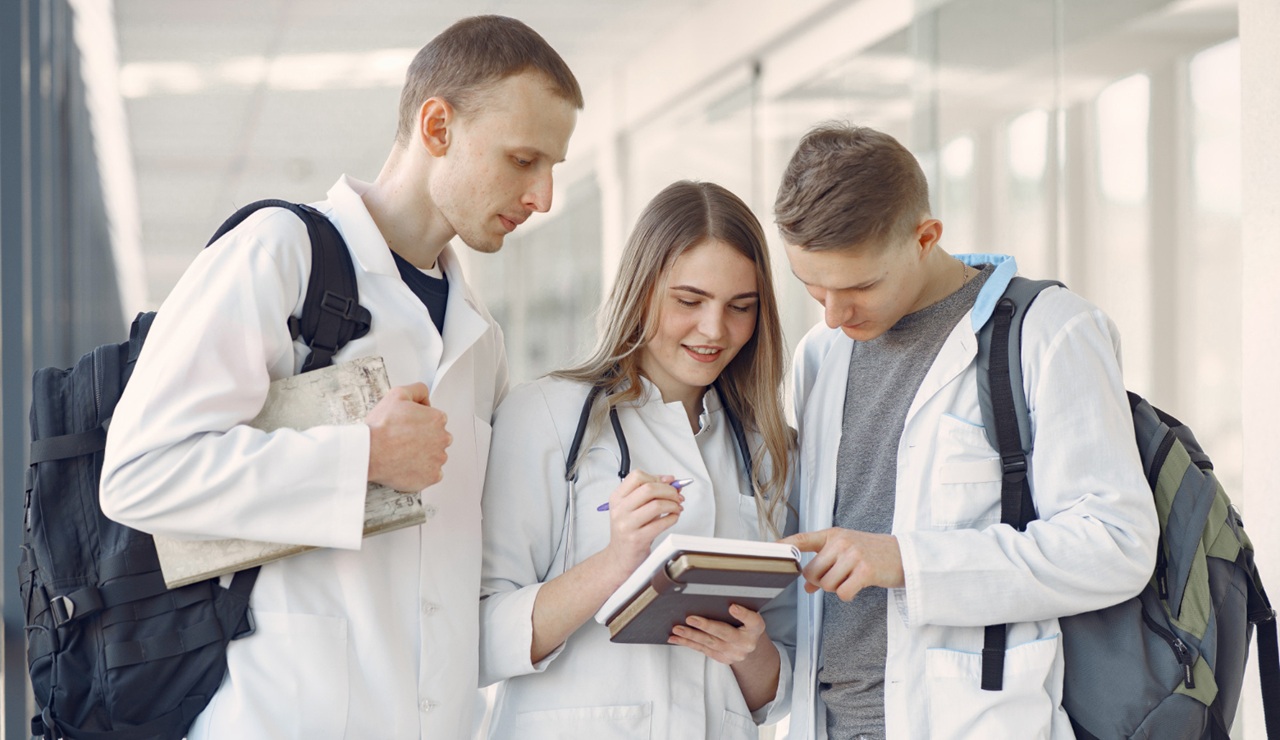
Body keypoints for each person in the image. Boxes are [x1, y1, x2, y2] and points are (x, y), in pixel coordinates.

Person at [99, 15, 581, 738]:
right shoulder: (278, 252)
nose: (542, 197)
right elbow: (140, 472)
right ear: (438, 126)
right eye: (523, 160)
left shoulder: (480, 336)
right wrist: (363, 459)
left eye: (553, 169)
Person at [772, 123, 1159, 739]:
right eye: (812, 287)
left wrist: (907, 561)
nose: (834, 315)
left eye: (859, 287)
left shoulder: (1048, 331)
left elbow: (1117, 544)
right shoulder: (821, 355)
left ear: (926, 238)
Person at [477, 180, 797, 739]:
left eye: (740, 307)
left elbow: (778, 690)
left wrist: (751, 651)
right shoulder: (546, 416)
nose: (714, 330)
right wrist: (615, 562)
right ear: (642, 290)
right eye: (689, 301)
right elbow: (478, 636)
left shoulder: (771, 451)